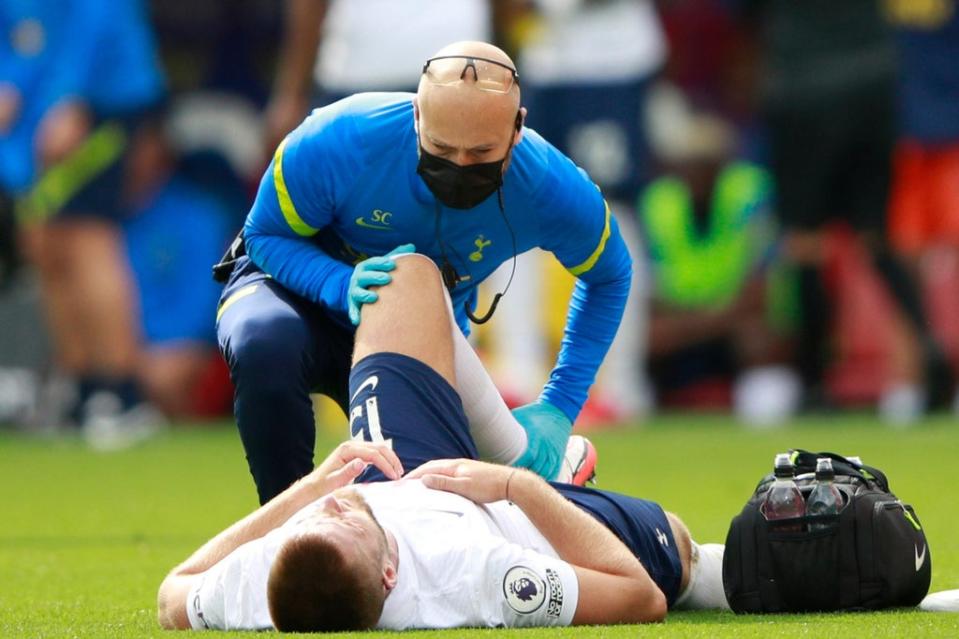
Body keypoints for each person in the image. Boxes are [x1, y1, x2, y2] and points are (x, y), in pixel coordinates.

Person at [158, 254, 726, 631]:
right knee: (673, 550)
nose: (328, 508)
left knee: (403, 277)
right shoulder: (470, 573)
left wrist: (306, 492)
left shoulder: (268, 581)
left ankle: (517, 448)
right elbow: (639, 597)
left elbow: (171, 595)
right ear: (389, 573)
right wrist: (516, 484)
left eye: (312, 521)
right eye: (342, 522)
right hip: (502, 510)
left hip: (396, 473)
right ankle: (542, 468)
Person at [216, 40, 633, 504]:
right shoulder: (343, 136)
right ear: (417, 115)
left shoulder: (551, 187)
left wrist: (559, 405)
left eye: (479, 154)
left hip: (417, 328)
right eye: (440, 148)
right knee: (264, 344)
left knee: (426, 496)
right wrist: (337, 283)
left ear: (518, 129)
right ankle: (287, 531)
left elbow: (611, 275)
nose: (457, 166)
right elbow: (265, 236)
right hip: (294, 289)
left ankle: (549, 464)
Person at [740, 0, 952, 416]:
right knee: (875, 236)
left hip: (804, 84)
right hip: (874, 80)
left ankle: (814, 380)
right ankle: (928, 347)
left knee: (806, 242)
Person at [0, 0, 166, 441]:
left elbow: (99, 13)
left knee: (88, 238)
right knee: (46, 244)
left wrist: (69, 99)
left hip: (97, 99)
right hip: (36, 110)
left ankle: (122, 392)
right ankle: (82, 390)